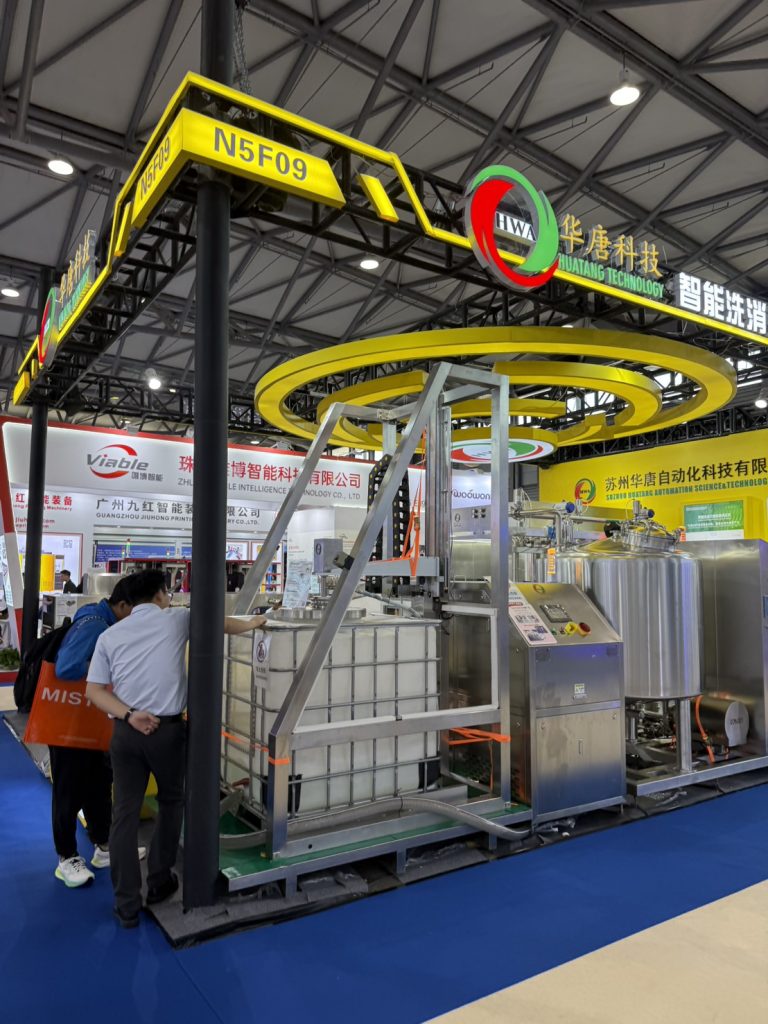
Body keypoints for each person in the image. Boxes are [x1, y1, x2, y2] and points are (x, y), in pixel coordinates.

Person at [85, 569, 268, 928]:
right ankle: (159, 881)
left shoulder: (110, 635)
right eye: (167, 594)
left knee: (124, 814)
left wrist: (129, 715)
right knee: (171, 802)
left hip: (125, 732)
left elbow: (93, 691)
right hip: (166, 732)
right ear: (159, 595)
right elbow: (223, 625)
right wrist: (258, 621)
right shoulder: (177, 619)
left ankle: (126, 904)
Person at [50, 578, 136, 888]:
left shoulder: (103, 621)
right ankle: (67, 857)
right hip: (71, 724)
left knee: (99, 783)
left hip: (90, 721)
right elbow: (65, 667)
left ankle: (103, 844)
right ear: (122, 605)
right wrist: (107, 667)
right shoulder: (95, 625)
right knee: (69, 789)